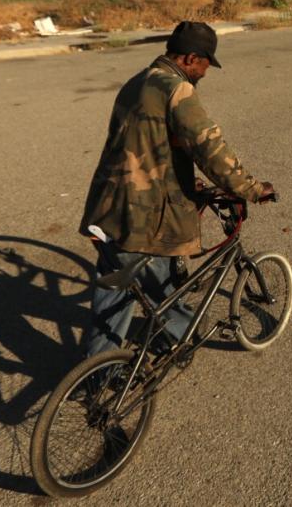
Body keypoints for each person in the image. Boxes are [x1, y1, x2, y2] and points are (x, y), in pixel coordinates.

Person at [79, 20, 273, 357]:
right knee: (162, 290)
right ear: (189, 58)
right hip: (143, 215)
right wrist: (251, 188)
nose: (205, 72)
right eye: (204, 64)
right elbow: (209, 148)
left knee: (113, 294)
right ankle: (180, 344)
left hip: (107, 207)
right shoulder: (176, 89)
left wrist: (183, 180)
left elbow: (144, 143)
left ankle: (97, 376)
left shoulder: (137, 81)